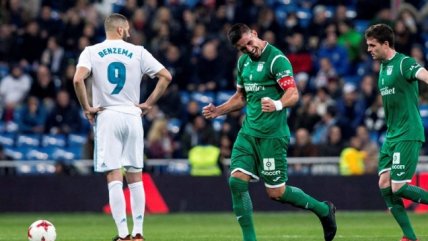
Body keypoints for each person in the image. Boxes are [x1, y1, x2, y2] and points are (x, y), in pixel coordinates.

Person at [202, 23, 336, 241]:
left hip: (272, 136)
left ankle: (323, 210)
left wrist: (277, 105)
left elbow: (293, 93)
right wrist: (219, 110)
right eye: (243, 48)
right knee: (236, 181)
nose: (248, 49)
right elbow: (241, 97)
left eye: (249, 43)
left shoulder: (277, 60)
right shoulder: (243, 62)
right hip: (248, 133)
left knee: (276, 193)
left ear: (254, 34)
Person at [73, 13, 172, 241]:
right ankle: (138, 234)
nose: (128, 32)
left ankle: (122, 235)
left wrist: (87, 107)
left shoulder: (91, 51)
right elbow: (166, 76)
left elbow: (78, 79)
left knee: (114, 176)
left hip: (108, 115)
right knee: (135, 176)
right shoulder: (138, 52)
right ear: (120, 30)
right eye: (127, 29)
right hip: (132, 115)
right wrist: (147, 104)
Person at [365, 23, 428, 241]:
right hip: (392, 135)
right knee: (384, 184)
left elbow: (424, 74)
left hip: (408, 132)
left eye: (372, 45)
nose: (369, 49)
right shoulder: (382, 67)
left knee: (399, 187)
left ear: (385, 44)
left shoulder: (404, 63)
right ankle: (410, 237)